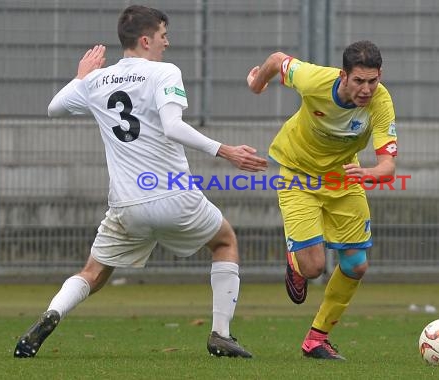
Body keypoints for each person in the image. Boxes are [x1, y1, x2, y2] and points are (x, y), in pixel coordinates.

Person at [14, 5, 267, 359]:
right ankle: (220, 335)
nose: (167, 42)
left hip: (127, 206)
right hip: (174, 196)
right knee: (225, 241)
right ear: (146, 40)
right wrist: (225, 150)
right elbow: (172, 126)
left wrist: (80, 76)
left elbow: (54, 107)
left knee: (94, 273)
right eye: (164, 36)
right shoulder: (165, 72)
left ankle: (51, 314)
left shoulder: (96, 81)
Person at [247, 41, 398, 360]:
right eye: (359, 81)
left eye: (373, 81)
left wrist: (369, 173)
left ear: (380, 76)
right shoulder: (314, 80)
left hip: (344, 178)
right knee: (313, 267)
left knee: (356, 265)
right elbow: (276, 59)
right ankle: (296, 262)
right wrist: (257, 84)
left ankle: (317, 339)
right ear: (344, 76)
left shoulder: (381, 102)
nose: (366, 89)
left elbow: (388, 167)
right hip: (297, 174)